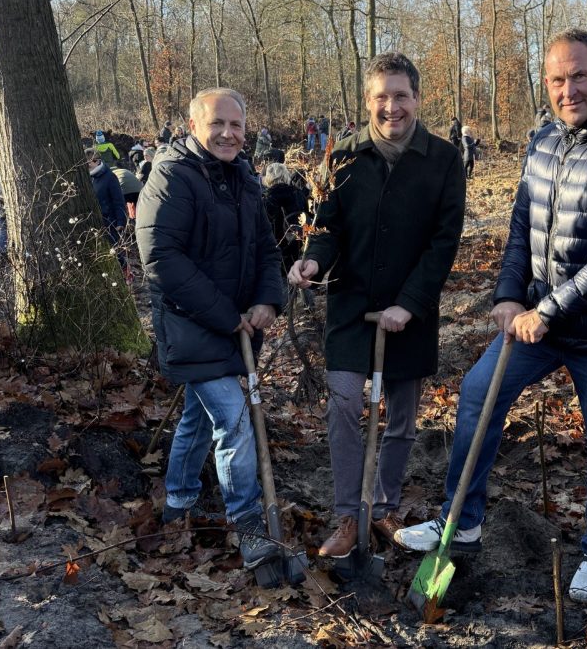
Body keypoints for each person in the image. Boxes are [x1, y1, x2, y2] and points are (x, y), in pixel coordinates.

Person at [393, 28, 587, 604]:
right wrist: (506, 296)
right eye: (557, 80)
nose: (568, 89)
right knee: (477, 393)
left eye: (579, 76)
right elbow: (522, 227)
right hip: (537, 321)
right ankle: (460, 522)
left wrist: (546, 309)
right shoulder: (545, 142)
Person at [288, 52, 466, 558]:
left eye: (401, 95)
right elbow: (328, 229)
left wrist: (410, 303)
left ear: (417, 97)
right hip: (351, 308)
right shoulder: (343, 156)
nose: (391, 107)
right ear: (368, 101)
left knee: (402, 418)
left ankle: (383, 508)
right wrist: (313, 262)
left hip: (412, 310)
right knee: (344, 404)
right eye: (381, 97)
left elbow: (444, 240)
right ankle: (349, 516)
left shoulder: (444, 158)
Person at [136, 87, 285, 571]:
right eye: (217, 123)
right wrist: (227, 315)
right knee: (234, 418)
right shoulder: (172, 175)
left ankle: (177, 503)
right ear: (194, 126)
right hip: (191, 323)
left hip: (233, 324)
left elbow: (266, 248)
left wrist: (267, 299)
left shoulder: (242, 176)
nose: (227, 133)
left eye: (236, 125)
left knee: (199, 420)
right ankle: (249, 526)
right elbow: (161, 259)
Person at [85, 147, 129, 279]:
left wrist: (121, 221)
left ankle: (126, 274)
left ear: (97, 161)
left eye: (89, 163)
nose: (87, 166)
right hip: (95, 222)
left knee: (114, 251)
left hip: (110, 221)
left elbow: (118, 200)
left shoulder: (109, 177)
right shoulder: (88, 178)